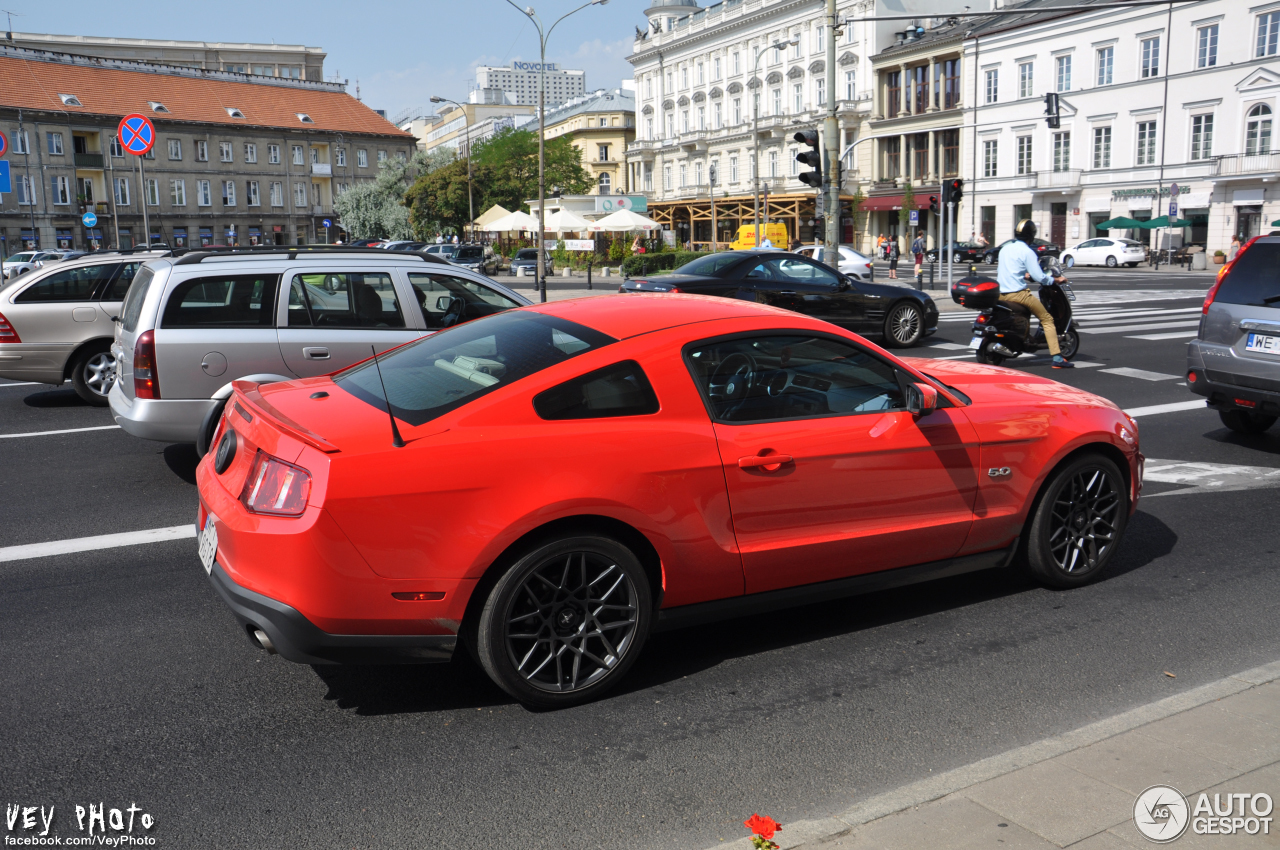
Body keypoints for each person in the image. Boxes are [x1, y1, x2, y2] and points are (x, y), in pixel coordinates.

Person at [998, 219, 1073, 369]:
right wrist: (1056, 279)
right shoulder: (1027, 252)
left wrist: (1024, 275)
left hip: (1001, 293)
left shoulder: (1004, 248)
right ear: (1031, 235)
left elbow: (1010, 270)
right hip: (1018, 294)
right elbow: (1040, 277)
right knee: (1047, 319)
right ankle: (1057, 358)